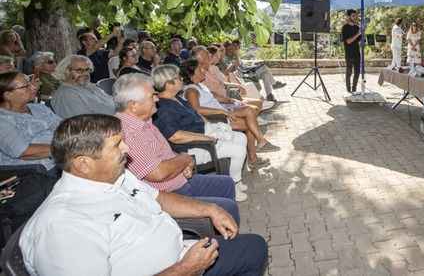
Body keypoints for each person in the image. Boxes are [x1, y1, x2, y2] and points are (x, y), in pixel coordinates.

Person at [19, 114, 268, 276]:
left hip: (181, 254)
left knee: (253, 247)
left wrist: (209, 209)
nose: (127, 149)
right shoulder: (63, 226)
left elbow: (159, 198)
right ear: (83, 163)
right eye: (117, 145)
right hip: (178, 268)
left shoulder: (116, 176)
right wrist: (185, 268)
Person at [113, 74, 241, 223]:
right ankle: (219, 237)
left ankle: (222, 230)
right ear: (133, 105)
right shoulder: (127, 132)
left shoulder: (144, 121)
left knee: (226, 183)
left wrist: (185, 164)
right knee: (228, 206)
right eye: (152, 96)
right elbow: (158, 173)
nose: (157, 98)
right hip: (168, 194)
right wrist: (185, 159)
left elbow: (166, 152)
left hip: (179, 179)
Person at [152, 65, 249, 202]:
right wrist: (206, 137)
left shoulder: (176, 98)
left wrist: (210, 126)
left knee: (241, 137)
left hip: (203, 135)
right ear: (169, 84)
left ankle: (235, 178)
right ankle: (234, 185)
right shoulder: (163, 108)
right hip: (194, 147)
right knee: (237, 149)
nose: (182, 79)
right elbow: (175, 136)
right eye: (178, 78)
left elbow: (195, 113)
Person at [181, 59, 277, 165]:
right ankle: (256, 153)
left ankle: (258, 147)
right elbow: (197, 109)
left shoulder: (200, 85)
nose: (203, 71)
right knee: (250, 122)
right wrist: (222, 112)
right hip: (215, 119)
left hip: (222, 112)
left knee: (250, 114)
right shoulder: (191, 91)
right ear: (192, 74)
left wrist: (230, 100)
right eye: (200, 70)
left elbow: (213, 96)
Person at [0, 71, 61, 172]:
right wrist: (65, 149)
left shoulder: (39, 108)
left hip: (61, 161)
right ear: (7, 95)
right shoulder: (3, 120)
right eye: (26, 86)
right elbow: (23, 151)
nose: (33, 88)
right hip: (31, 172)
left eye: (30, 83)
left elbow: (65, 128)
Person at [51, 55, 116, 119]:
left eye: (87, 70)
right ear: (66, 72)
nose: (85, 73)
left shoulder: (89, 86)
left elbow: (113, 102)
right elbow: (83, 123)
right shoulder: (66, 94)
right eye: (79, 70)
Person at [342, 9, 361, 93]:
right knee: (349, 72)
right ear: (349, 16)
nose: (355, 17)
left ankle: (354, 89)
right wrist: (358, 34)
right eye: (353, 16)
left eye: (355, 15)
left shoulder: (357, 27)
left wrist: (362, 33)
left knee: (357, 73)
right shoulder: (345, 27)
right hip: (349, 54)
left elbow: (359, 40)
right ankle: (348, 90)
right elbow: (348, 41)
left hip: (357, 53)